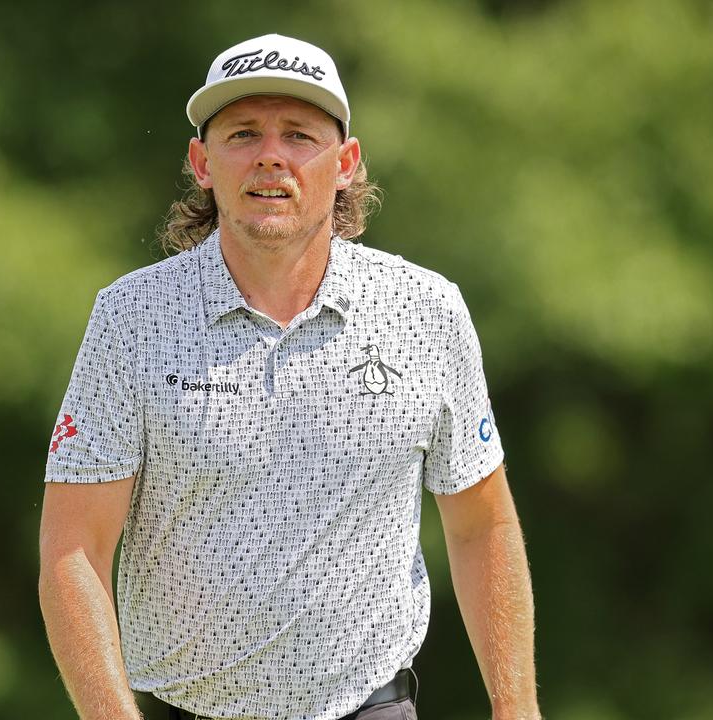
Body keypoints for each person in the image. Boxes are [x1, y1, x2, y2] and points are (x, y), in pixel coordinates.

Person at [38, 33, 540, 720]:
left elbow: (482, 525)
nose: (270, 154)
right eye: (243, 132)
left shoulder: (425, 311)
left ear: (345, 163)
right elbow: (73, 549)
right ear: (201, 162)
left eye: (299, 134)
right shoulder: (132, 319)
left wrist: (517, 711)